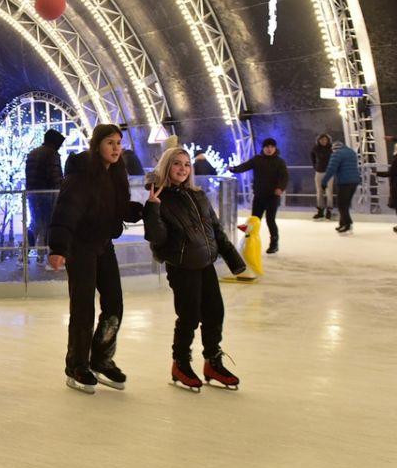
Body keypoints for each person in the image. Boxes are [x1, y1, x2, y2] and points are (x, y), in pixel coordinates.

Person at [47, 123, 143, 394]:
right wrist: (58, 248)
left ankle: (101, 358)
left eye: (118, 143)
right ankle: (76, 365)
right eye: (109, 142)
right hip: (80, 247)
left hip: (104, 244)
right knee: (83, 308)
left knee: (114, 305)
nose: (115, 148)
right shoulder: (82, 173)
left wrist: (144, 209)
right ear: (97, 144)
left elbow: (120, 209)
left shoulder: (117, 173)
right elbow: (66, 210)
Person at [143, 147, 247, 391]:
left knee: (215, 312)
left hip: (205, 262)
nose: (182, 169)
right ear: (167, 167)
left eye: (186, 164)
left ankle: (212, 361)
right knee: (189, 316)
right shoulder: (161, 198)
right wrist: (153, 207)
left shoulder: (198, 195)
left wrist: (235, 260)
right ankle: (180, 363)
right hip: (182, 265)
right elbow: (157, 238)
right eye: (177, 164)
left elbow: (216, 231)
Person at [232, 138, 289, 254]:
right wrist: (234, 169)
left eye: (271, 147)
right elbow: (245, 166)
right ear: (263, 148)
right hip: (259, 195)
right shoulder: (258, 160)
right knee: (254, 220)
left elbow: (284, 177)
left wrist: (280, 188)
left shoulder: (280, 162)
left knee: (270, 220)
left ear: (275, 148)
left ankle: (274, 243)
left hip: (272, 196)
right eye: (267, 147)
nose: (269, 149)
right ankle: (249, 242)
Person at [24, 128, 64, 264]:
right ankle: (46, 256)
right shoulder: (52, 154)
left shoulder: (32, 153)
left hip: (33, 194)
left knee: (35, 224)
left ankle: (25, 252)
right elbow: (55, 177)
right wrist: (61, 190)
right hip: (48, 194)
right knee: (49, 225)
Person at [321, 139, 360, 235]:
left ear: (334, 149)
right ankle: (342, 223)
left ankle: (347, 224)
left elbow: (331, 169)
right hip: (354, 181)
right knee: (345, 204)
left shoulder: (337, 154)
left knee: (342, 205)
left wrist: (324, 181)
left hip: (344, 182)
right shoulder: (351, 152)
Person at [310, 133, 334, 220]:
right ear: (319, 140)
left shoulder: (331, 148)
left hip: (329, 172)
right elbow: (312, 157)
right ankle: (320, 210)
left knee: (329, 192)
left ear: (328, 140)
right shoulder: (315, 148)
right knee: (319, 192)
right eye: (322, 139)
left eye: (325, 140)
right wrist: (315, 166)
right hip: (319, 172)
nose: (323, 141)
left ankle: (329, 210)